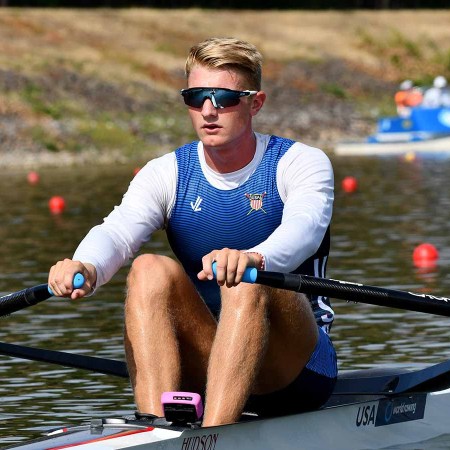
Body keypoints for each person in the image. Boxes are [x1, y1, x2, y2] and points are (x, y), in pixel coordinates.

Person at [48, 37, 337, 426]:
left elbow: (306, 228)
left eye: (224, 98)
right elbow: (117, 231)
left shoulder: (300, 162)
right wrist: (85, 265)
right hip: (210, 357)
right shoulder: (166, 172)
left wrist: (254, 258)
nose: (208, 110)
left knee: (245, 278)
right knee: (149, 268)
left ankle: (215, 432)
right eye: (196, 97)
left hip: (298, 370)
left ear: (255, 103)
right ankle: (154, 426)